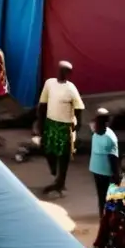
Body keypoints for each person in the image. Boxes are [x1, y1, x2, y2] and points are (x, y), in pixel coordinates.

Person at [37, 61, 85, 195]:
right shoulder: (49, 84)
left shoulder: (71, 88)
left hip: (65, 125)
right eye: (61, 70)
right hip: (51, 123)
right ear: (57, 70)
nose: (63, 73)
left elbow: (79, 108)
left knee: (64, 155)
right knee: (47, 149)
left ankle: (60, 181)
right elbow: (42, 105)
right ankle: (54, 172)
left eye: (66, 71)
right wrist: (40, 123)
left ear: (69, 74)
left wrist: (77, 125)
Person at [90, 107, 120, 216]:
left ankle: (102, 215)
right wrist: (117, 174)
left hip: (95, 169)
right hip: (106, 171)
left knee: (101, 195)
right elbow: (113, 158)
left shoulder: (95, 133)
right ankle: (108, 217)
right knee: (110, 196)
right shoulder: (110, 137)